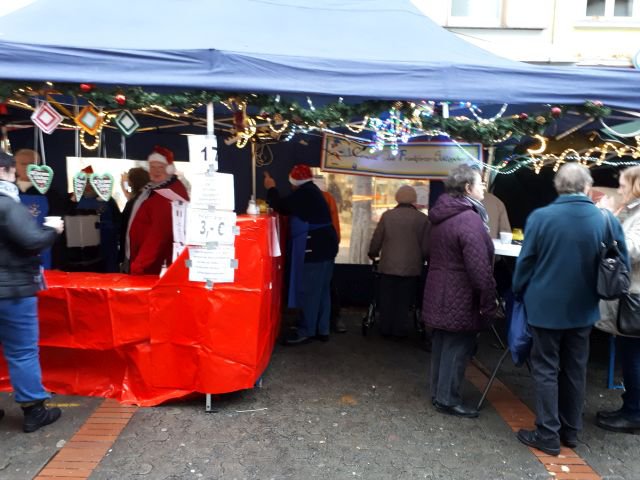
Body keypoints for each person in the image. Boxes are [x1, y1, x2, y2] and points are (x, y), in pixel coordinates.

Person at [512, 163, 628, 455]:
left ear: (557, 186)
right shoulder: (605, 220)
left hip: (544, 307)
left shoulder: (541, 217)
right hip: (584, 308)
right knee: (576, 369)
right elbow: (620, 262)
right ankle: (571, 431)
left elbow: (525, 262)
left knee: (546, 369)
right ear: (588, 186)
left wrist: (517, 290)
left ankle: (548, 434)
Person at [422, 165, 496, 418]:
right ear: (468, 188)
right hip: (460, 293)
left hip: (438, 288)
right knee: (458, 346)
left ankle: (438, 393)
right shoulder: (469, 219)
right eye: (481, 183)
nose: (484, 187)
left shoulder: (441, 214)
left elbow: (427, 250)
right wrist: (488, 299)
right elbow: (478, 267)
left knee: (443, 344)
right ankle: (448, 399)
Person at [0, 151, 64, 433]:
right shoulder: (8, 204)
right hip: (13, 290)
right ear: (6, 171)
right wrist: (53, 230)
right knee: (22, 351)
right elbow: (32, 240)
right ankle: (34, 410)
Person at [264, 165, 339, 345]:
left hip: (315, 247)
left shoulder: (304, 194)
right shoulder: (313, 191)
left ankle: (307, 330)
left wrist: (271, 187)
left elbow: (281, 206)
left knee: (310, 291)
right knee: (322, 291)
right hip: (327, 246)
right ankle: (322, 328)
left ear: (294, 181)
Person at [595, 165, 640, 434]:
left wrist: (607, 218)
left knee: (633, 356)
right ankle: (630, 407)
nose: (620, 188)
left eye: (623, 183)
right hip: (633, 294)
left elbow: (631, 250)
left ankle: (634, 413)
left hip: (636, 296)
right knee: (631, 354)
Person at [368, 185, 429, 338]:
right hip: (411, 267)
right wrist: (425, 258)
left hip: (388, 265)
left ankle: (385, 328)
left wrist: (373, 253)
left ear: (397, 197)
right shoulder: (422, 219)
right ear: (414, 199)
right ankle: (399, 330)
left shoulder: (388, 216)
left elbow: (377, 238)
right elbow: (426, 246)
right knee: (404, 300)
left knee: (387, 298)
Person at [126, 146, 189, 275]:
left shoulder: (169, 193)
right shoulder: (152, 188)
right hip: (146, 261)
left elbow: (159, 233)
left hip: (154, 266)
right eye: (152, 167)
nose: (155, 171)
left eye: (160, 167)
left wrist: (139, 265)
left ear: (169, 169)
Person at [64, 165, 122, 273]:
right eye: (84, 182)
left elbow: (119, 223)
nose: (88, 185)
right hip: (81, 255)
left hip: (107, 250)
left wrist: (107, 227)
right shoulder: (71, 200)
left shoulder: (108, 200)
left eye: (90, 182)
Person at [14, 148, 65, 269]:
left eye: (32, 164)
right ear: (14, 165)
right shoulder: (6, 189)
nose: (27, 168)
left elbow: (58, 227)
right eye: (23, 164)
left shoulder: (51, 194)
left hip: (43, 251)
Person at [119, 167, 150, 267]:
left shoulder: (133, 203)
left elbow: (124, 227)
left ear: (132, 183)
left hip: (133, 253)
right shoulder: (149, 198)